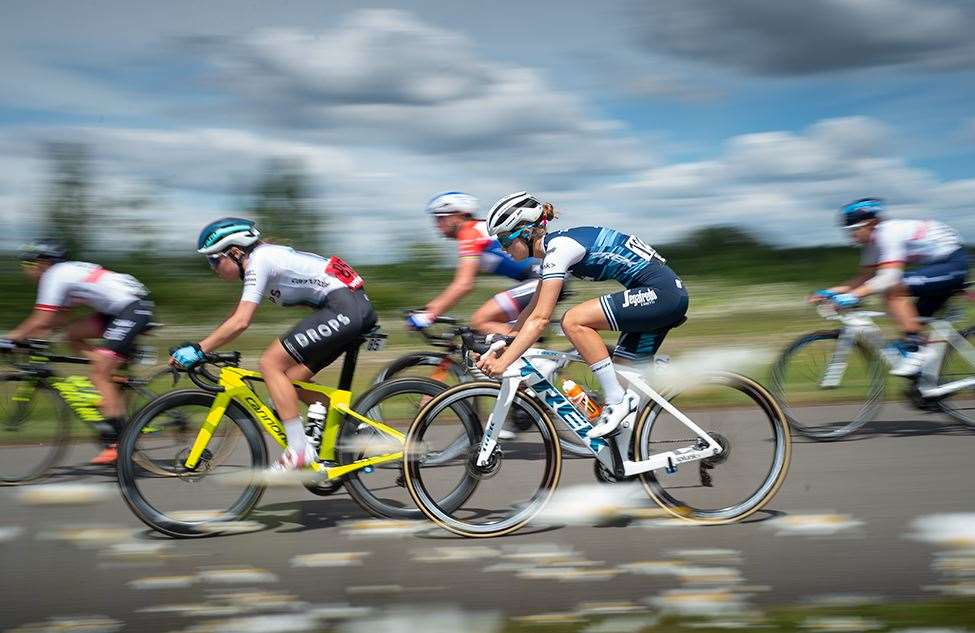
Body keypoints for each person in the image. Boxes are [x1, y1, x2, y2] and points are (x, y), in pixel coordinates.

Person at [475, 192, 689, 438]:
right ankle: (627, 461)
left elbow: (541, 320)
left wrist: (503, 363)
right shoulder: (555, 251)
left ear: (525, 231)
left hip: (662, 295)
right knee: (621, 378)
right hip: (659, 296)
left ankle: (617, 401)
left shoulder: (559, 249)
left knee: (573, 320)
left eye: (504, 240)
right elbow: (532, 309)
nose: (503, 249)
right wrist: (508, 340)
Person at [170, 218, 377, 471]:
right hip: (348, 308)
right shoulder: (264, 261)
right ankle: (357, 431)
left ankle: (299, 449)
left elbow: (241, 321)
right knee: (289, 381)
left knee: (270, 364)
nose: (212, 267)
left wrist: (200, 348)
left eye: (214, 259)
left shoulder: (260, 261)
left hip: (345, 308)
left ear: (235, 252)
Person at [2, 239, 155, 464]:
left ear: (43, 263)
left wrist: (10, 339)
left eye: (29, 264)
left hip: (130, 308)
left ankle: (119, 442)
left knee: (98, 374)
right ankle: (111, 373)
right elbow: (57, 320)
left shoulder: (54, 275)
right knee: (72, 334)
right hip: (120, 309)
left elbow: (42, 318)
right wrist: (33, 340)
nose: (27, 270)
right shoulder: (65, 273)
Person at [812, 198, 969, 377]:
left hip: (952, 264)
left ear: (871, 223)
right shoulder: (872, 244)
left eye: (854, 230)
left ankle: (916, 351)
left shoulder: (888, 232)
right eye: (847, 231)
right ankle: (927, 387)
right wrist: (829, 292)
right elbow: (864, 277)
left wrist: (854, 296)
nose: (851, 236)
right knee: (911, 320)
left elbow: (888, 278)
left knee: (894, 289)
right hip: (934, 267)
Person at [407, 192, 542, 335]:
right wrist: (428, 309)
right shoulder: (478, 229)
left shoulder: (470, 232)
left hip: (540, 279)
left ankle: (523, 352)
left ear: (459, 215)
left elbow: (463, 285)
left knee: (481, 321)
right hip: (537, 279)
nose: (437, 224)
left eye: (441, 217)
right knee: (482, 341)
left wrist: (428, 315)